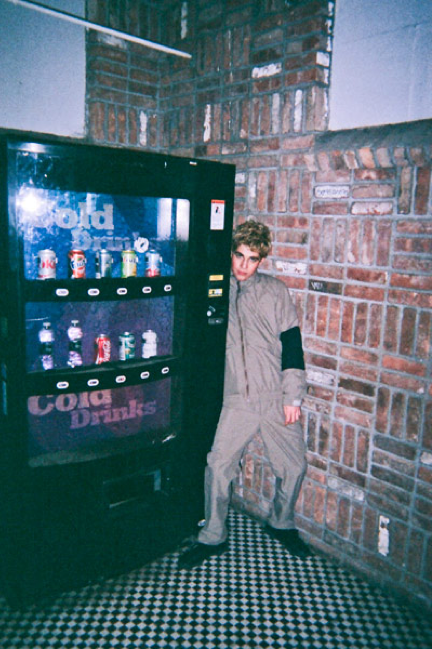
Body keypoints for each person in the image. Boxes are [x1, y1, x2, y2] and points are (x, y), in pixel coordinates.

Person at [178, 220, 311, 569]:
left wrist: (293, 397)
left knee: (294, 465)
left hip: (275, 395)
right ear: (231, 253)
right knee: (218, 465)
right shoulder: (217, 289)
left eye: (252, 259)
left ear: (261, 261)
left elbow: (292, 345)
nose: (243, 265)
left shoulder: (275, 291)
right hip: (237, 399)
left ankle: (281, 523)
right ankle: (213, 535)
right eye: (239, 255)